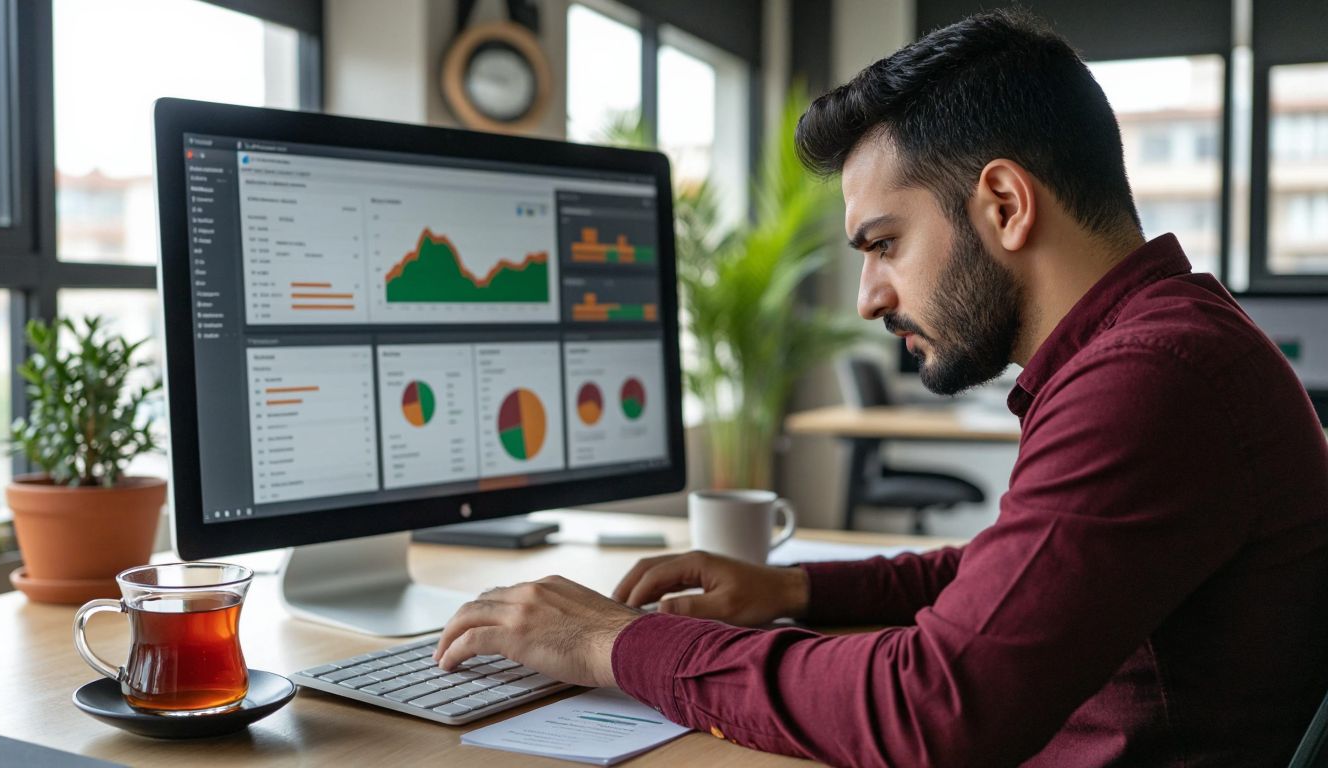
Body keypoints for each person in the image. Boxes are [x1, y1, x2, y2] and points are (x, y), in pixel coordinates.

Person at [435, 9, 1328, 766]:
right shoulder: (1163, 346)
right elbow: (1011, 573)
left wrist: (609, 642)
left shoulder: (1153, 378)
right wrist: (796, 593)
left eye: (884, 244)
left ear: (1006, 205)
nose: (868, 298)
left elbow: (933, 707)